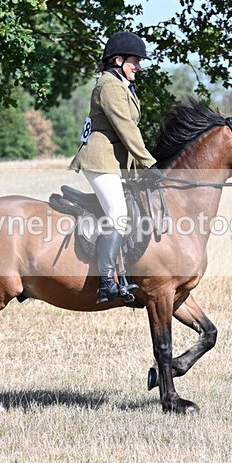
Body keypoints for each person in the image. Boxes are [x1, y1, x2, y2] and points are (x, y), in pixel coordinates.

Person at [68, 31, 158, 303]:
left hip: (114, 161)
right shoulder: (108, 85)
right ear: (117, 60)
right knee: (118, 213)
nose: (139, 67)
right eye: (135, 62)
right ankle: (107, 280)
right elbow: (126, 128)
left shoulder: (122, 85)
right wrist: (149, 163)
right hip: (99, 159)